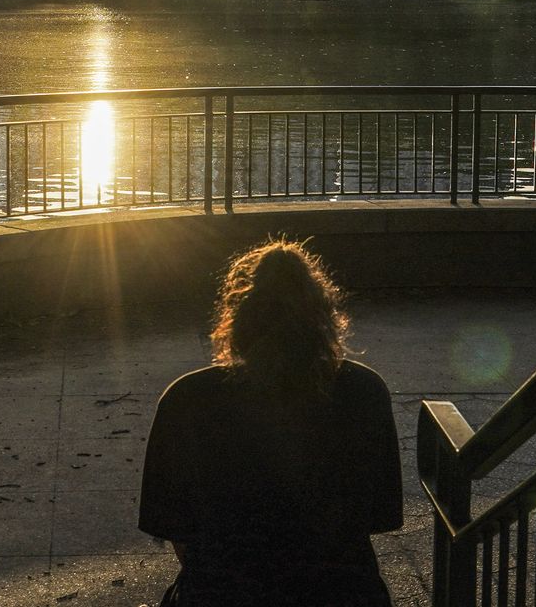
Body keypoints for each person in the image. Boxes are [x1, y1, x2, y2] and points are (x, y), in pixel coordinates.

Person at [138, 239, 403, 606]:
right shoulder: (365, 390)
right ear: (324, 318)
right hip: (341, 592)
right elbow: (377, 516)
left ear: (239, 320)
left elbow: (174, 526)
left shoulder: (187, 398)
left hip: (222, 592)